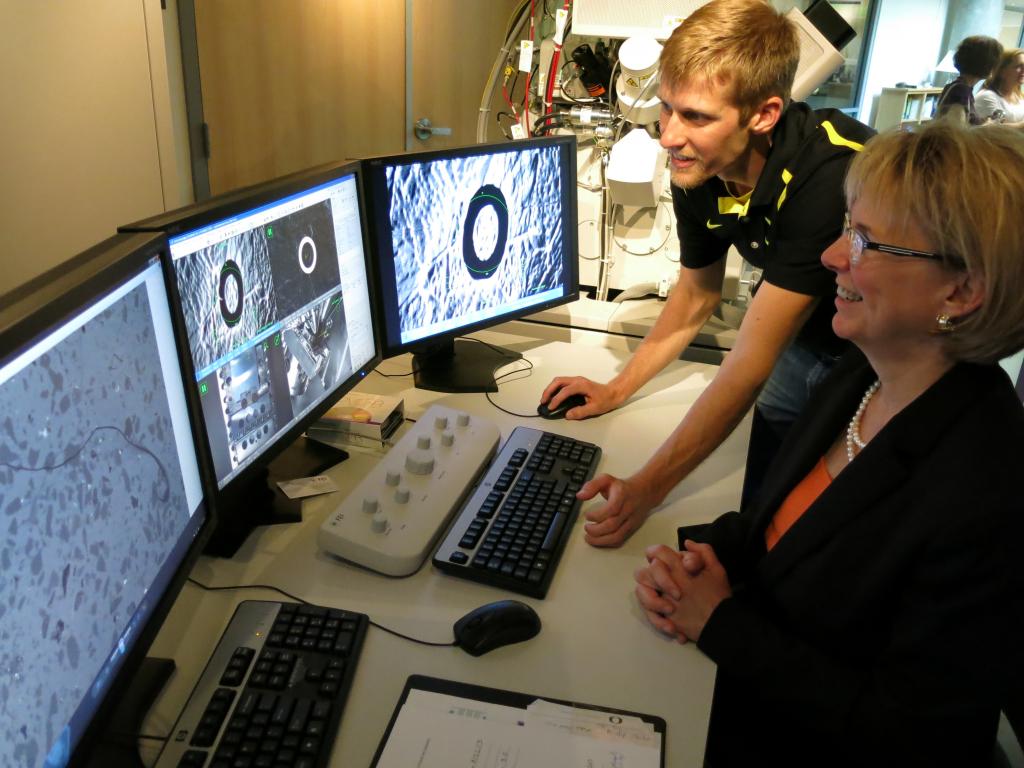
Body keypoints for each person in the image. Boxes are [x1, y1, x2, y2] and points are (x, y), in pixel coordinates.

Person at [634, 120, 1024, 765]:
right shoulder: (861, 377)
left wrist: (721, 624)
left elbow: (920, 736)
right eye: (847, 226)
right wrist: (709, 553)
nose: (833, 255)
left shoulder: (988, 489)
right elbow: (785, 528)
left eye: (866, 242)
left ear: (961, 290)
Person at [541, 0, 873, 545]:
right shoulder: (697, 165)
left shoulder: (828, 175)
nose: (669, 135)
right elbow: (697, 294)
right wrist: (616, 388)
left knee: (822, 517)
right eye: (668, 108)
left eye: (695, 116)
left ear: (763, 114)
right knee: (765, 487)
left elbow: (749, 364)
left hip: (874, 349)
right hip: (803, 334)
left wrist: (647, 488)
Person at [935, 35, 1003, 125]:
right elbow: (957, 130)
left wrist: (985, 121)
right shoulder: (961, 91)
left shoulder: (960, 87)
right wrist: (989, 125)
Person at [976, 47, 1024, 126]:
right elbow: (995, 131)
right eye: (1019, 66)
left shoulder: (1020, 98)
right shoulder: (987, 97)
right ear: (1001, 71)